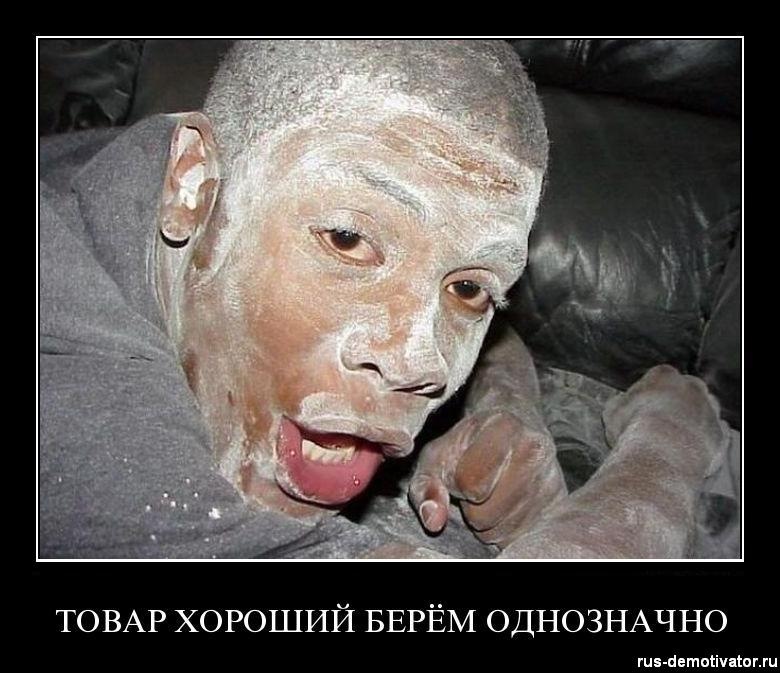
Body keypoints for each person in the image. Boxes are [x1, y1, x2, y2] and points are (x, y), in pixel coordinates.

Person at [39, 39, 732, 559]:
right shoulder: (71, 396)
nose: (418, 361)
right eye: (347, 240)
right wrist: (668, 447)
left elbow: (483, 320)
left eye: (467, 288)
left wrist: (506, 405)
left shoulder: (150, 180)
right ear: (191, 184)